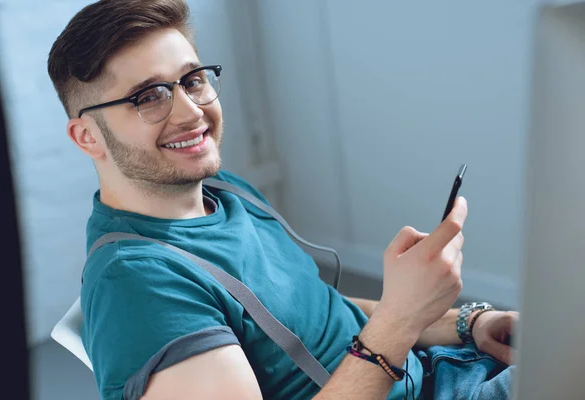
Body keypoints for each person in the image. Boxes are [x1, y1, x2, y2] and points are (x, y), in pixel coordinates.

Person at [47, 1, 518, 399]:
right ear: (87, 136)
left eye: (192, 80)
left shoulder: (226, 193)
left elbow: (319, 312)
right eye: (148, 96)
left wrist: (469, 323)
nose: (192, 112)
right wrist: (401, 317)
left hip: (443, 368)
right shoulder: (138, 286)